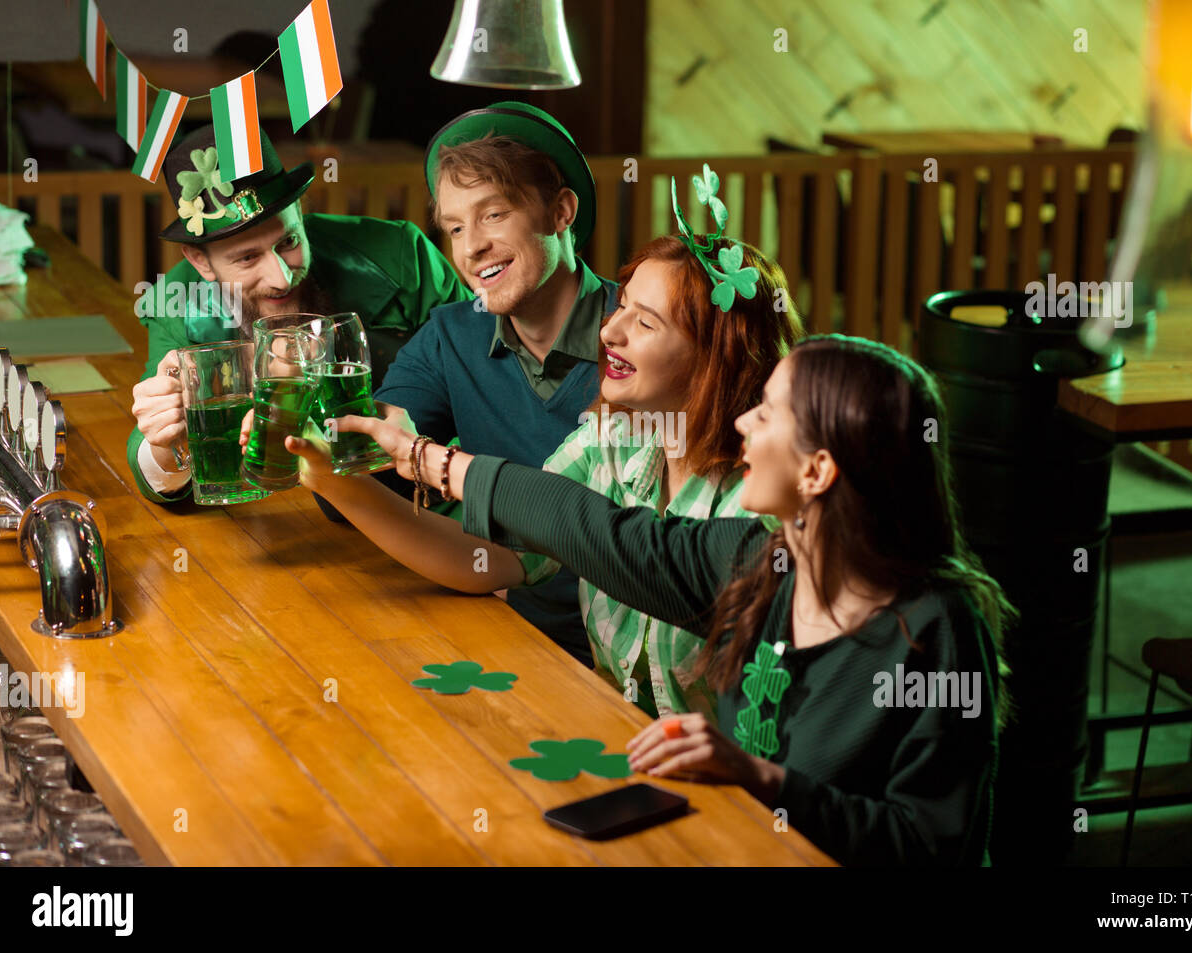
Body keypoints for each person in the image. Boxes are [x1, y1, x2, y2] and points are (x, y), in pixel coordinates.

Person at [322, 334, 1014, 866]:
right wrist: (417, 458)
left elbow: (930, 847)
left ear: (818, 470)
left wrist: (759, 778)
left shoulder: (936, 630)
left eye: (768, 414)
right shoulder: (761, 561)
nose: (744, 422)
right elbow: (599, 530)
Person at [273, 229, 802, 722]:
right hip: (619, 742)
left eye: (644, 323)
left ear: (715, 356)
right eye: (620, 306)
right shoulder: (610, 441)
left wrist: (424, 458)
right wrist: (331, 479)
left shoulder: (770, 502)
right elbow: (488, 560)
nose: (610, 331)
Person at [369, 102, 616, 665]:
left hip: (650, 664)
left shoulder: (642, 331)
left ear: (561, 212)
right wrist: (350, 439)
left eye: (494, 215)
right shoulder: (451, 334)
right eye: (455, 228)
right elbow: (379, 448)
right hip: (514, 639)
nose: (470, 246)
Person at [127, 123, 469, 506]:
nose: (281, 277)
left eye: (288, 241)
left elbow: (484, 372)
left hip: (425, 502)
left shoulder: (401, 254)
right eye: (247, 258)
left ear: (300, 213)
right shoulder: (178, 304)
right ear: (199, 261)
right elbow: (150, 460)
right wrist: (164, 444)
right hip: (288, 526)